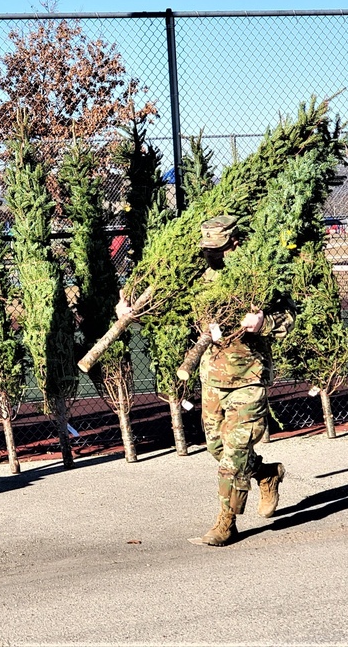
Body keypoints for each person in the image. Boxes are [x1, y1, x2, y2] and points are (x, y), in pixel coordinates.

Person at [115, 214, 294, 547]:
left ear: (235, 243)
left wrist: (263, 321)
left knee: (235, 454)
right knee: (217, 448)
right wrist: (131, 312)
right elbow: (169, 310)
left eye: (219, 248)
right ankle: (267, 475)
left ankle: (226, 523)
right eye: (208, 248)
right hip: (212, 377)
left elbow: (289, 316)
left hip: (248, 377)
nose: (212, 254)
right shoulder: (199, 276)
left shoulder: (257, 273)